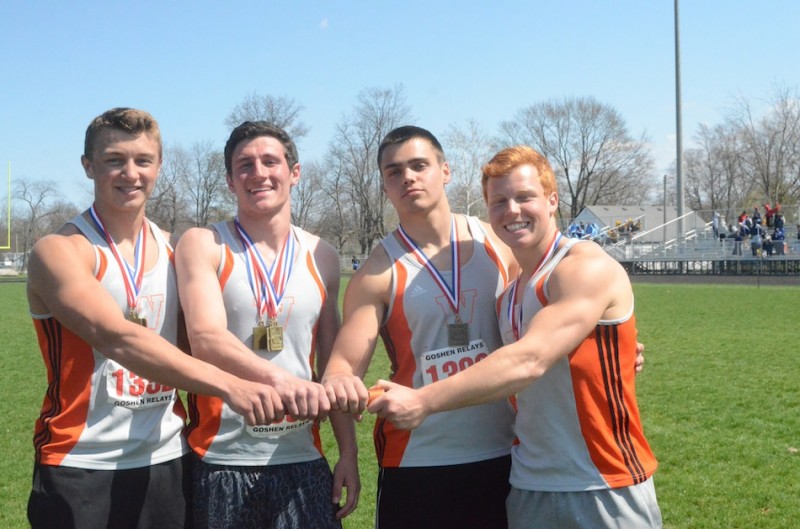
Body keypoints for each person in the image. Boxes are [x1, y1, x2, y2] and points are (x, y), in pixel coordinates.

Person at [370, 145, 662, 528]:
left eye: (525, 197)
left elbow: (528, 360)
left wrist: (422, 400)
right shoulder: (508, 294)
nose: (512, 211)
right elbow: (496, 364)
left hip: (603, 481)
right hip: (526, 484)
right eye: (499, 201)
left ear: (552, 200)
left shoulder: (584, 265)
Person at [25, 108, 286, 529]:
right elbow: (115, 337)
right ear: (88, 166)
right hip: (80, 460)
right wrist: (233, 386)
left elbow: (206, 338)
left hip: (167, 460)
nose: (130, 173)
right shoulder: (57, 251)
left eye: (143, 160)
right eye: (114, 159)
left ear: (159, 167)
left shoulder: (177, 250)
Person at [322, 126, 519, 529]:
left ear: (445, 171)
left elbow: (545, 317)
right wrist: (345, 442)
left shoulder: (497, 241)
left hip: (508, 451)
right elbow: (341, 367)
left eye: (419, 165)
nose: (407, 177)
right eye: (394, 172)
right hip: (418, 459)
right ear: (384, 187)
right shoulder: (378, 269)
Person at [175, 121, 359, 529]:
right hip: (222, 458)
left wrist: (348, 451)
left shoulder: (322, 255)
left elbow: (332, 365)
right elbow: (205, 339)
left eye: (270, 161)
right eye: (244, 165)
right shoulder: (204, 243)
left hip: (302, 457)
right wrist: (287, 384)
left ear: (294, 173)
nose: (258, 173)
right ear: (229, 180)